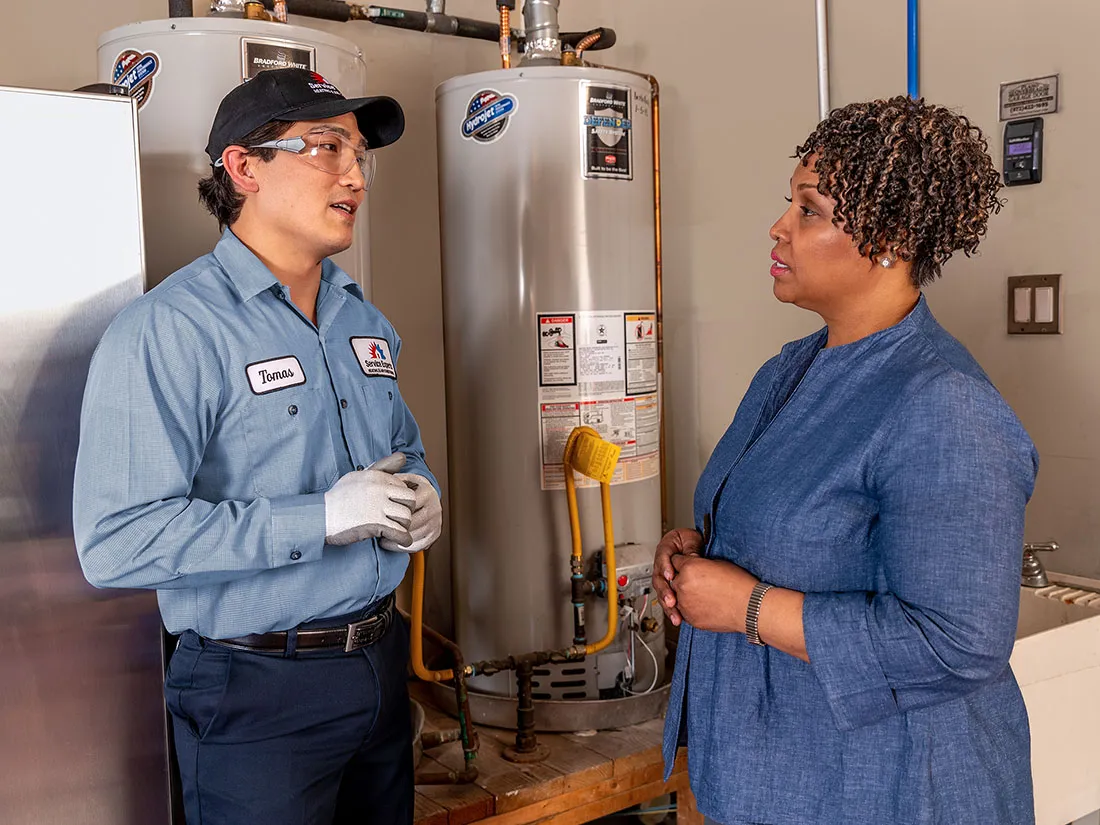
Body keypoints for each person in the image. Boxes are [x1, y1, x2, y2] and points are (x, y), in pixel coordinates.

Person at [654, 96, 1037, 825]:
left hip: (888, 790)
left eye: (809, 210)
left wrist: (747, 607)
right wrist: (700, 551)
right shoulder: (787, 372)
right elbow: (789, 529)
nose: (779, 227)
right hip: (777, 774)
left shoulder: (943, 404)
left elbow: (960, 645)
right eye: (788, 204)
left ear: (888, 237)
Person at [73, 68, 442, 825]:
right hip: (255, 693)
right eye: (326, 147)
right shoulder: (169, 331)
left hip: (378, 664)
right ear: (244, 167)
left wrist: (425, 490)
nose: (355, 174)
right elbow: (116, 541)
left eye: (360, 153)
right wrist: (320, 518)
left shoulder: (360, 318)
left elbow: (403, 444)